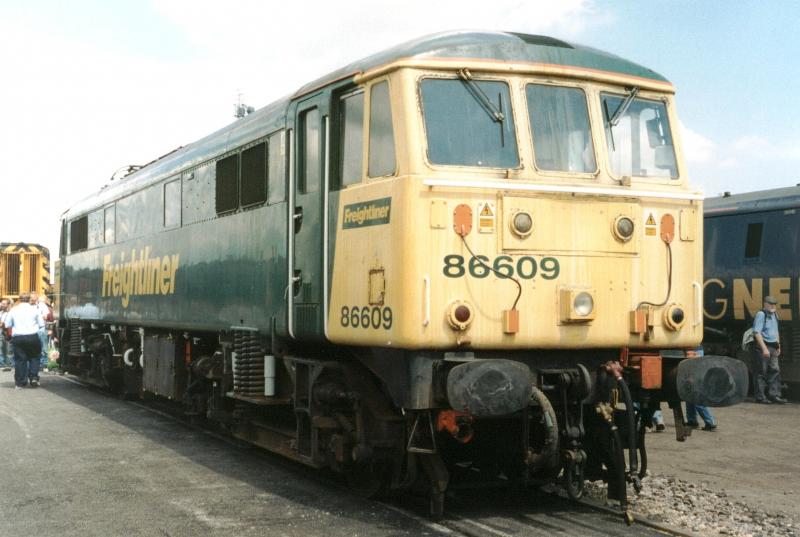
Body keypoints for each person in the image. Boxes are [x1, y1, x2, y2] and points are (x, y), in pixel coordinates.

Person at [4, 292, 45, 389]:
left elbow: (7, 324)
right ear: (29, 299)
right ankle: (34, 377)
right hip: (32, 336)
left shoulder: (14, 310)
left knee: (20, 359)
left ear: (19, 299)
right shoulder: (35, 309)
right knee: (34, 357)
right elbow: (41, 324)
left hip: (18, 337)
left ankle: (20, 383)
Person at [752, 295, 787, 404]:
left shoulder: (775, 314)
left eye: (774, 304)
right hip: (764, 346)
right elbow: (756, 332)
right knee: (761, 372)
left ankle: (774, 395)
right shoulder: (761, 314)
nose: (773, 306)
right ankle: (760, 397)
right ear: (765, 304)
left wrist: (778, 345)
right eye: (770, 304)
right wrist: (764, 349)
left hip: (773, 346)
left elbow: (776, 331)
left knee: (775, 371)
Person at [0, 298, 13, 369]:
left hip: (9, 333)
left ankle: (9, 364)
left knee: (9, 349)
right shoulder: (1, 312)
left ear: (8, 305)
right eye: (1, 303)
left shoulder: (12, 313)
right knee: (1, 349)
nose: (2, 305)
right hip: (1, 333)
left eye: (4, 304)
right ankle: (2, 363)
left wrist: (4, 324)